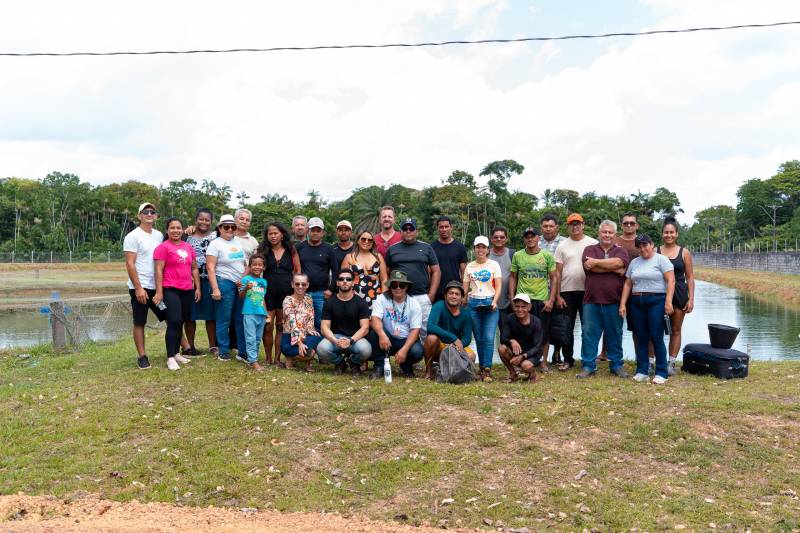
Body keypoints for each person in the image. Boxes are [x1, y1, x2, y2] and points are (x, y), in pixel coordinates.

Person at [576, 220, 630, 379]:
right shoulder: (589, 249)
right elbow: (590, 267)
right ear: (599, 233)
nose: (607, 235)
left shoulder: (621, 251)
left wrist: (597, 263)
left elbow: (619, 262)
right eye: (604, 232)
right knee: (589, 334)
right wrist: (613, 268)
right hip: (591, 300)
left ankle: (616, 365)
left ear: (615, 234)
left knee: (615, 334)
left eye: (610, 232)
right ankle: (588, 366)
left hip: (614, 301)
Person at [619, 234, 675, 384]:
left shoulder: (661, 260)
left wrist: (668, 301)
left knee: (656, 336)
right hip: (637, 301)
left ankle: (661, 372)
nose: (643, 248)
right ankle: (642, 370)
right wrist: (623, 303)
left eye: (645, 245)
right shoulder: (635, 263)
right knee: (641, 336)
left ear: (652, 245)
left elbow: (671, 281)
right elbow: (628, 284)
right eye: (640, 246)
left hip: (656, 300)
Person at [153, 217, 201, 371]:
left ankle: (177, 352)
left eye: (178, 228)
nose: (175, 230)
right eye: (172, 228)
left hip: (187, 289)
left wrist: (197, 288)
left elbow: (194, 268)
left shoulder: (188, 247)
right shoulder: (163, 247)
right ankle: (170, 357)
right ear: (167, 230)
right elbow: (158, 270)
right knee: (173, 321)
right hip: (170, 289)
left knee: (181, 321)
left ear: (182, 230)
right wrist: (159, 292)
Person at [507, 227, 558, 372]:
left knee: (544, 331)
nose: (530, 239)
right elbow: (513, 277)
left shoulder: (547, 256)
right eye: (527, 236)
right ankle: (521, 360)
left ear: (538, 238)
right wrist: (512, 297)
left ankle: (544, 363)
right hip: (523, 300)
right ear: (524, 239)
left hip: (541, 299)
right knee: (521, 331)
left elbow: (554, 278)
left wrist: (551, 300)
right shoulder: (518, 255)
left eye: (533, 236)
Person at [123, 202, 167, 370]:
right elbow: (130, 263)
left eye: (152, 212)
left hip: (156, 289)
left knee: (169, 315)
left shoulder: (158, 235)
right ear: (140, 215)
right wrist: (138, 288)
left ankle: (182, 349)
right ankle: (142, 356)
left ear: (156, 216)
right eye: (146, 212)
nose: (149, 215)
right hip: (140, 289)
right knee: (139, 322)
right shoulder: (132, 236)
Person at [554, 213, 598, 370]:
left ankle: (588, 360)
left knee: (588, 328)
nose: (575, 226)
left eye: (578, 223)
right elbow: (557, 273)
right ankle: (568, 359)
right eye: (572, 224)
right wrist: (557, 295)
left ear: (583, 225)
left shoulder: (593, 243)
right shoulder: (562, 246)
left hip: (588, 292)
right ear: (568, 226)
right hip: (567, 292)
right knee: (567, 327)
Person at [385, 218, 440, 338]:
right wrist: (388, 292)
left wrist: (431, 295)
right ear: (401, 231)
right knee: (399, 331)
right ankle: (402, 355)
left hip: (422, 296)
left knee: (424, 332)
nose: (408, 231)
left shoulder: (426, 247)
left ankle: (427, 357)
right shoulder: (392, 249)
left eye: (411, 228)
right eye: (405, 229)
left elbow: (436, 271)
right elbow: (386, 272)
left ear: (416, 231)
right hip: (399, 297)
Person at [257, 221, 301, 366]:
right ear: (267, 235)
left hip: (286, 294)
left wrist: (296, 291)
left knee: (281, 327)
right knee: (267, 327)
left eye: (276, 233)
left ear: (282, 234)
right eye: (270, 233)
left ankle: (277, 359)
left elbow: (298, 272)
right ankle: (268, 358)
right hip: (267, 293)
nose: (273, 236)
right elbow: (255, 267)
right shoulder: (262, 249)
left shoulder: (291, 249)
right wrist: (243, 280)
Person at [206, 214, 247, 361]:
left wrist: (243, 279)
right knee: (224, 319)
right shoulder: (215, 244)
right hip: (223, 282)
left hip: (239, 284)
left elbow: (244, 263)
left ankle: (242, 352)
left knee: (240, 318)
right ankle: (224, 352)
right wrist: (215, 289)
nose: (230, 229)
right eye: (226, 226)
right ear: (220, 228)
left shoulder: (237, 242)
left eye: (233, 226)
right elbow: (210, 267)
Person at [657, 217, 695, 375]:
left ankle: (671, 363)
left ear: (677, 234)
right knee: (655, 329)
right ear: (662, 234)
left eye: (672, 232)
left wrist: (691, 299)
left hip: (679, 293)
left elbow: (690, 277)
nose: (669, 235)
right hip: (659, 292)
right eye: (666, 232)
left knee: (676, 329)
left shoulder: (684, 252)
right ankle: (654, 362)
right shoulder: (655, 251)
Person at [317, 270, 373, 375]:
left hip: (355, 338)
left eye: (348, 279)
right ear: (337, 283)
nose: (345, 281)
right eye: (341, 279)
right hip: (336, 337)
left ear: (353, 283)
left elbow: (365, 327)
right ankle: (340, 362)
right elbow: (324, 327)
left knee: (366, 350)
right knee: (321, 349)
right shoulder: (329, 302)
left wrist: (350, 341)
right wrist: (335, 341)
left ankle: (353, 362)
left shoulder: (361, 302)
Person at [370, 270, 424, 379]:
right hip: (388, 338)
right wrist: (382, 335)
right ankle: (379, 366)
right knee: (375, 332)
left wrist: (404, 349)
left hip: (405, 339)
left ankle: (406, 366)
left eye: (402, 285)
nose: (398, 288)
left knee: (417, 351)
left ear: (407, 287)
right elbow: (375, 318)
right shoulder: (382, 298)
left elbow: (415, 330)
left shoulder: (414, 303)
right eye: (394, 285)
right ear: (390, 287)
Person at [463, 235, 502, 382]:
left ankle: (488, 368)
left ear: (488, 249)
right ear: (474, 249)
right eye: (478, 247)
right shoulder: (469, 266)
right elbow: (465, 287)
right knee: (479, 338)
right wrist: (464, 300)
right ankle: (481, 369)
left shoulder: (494, 265)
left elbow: (498, 286)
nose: (480, 250)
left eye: (483, 247)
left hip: (489, 303)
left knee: (489, 337)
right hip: (473, 304)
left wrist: (495, 301)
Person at [423, 281, 475, 380]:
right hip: (440, 346)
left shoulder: (466, 313)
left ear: (461, 298)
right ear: (445, 296)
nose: (454, 296)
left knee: (471, 356)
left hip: (455, 347)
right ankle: (429, 371)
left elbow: (467, 338)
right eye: (451, 293)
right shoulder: (439, 306)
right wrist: (453, 338)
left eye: (457, 294)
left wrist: (456, 345)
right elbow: (430, 326)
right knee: (431, 338)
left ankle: (444, 369)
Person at [295, 217, 338, 331]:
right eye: (312, 230)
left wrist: (330, 289)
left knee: (321, 323)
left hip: (321, 293)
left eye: (318, 230)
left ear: (322, 233)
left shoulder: (329, 249)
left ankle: (320, 348)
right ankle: (306, 348)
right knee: (302, 322)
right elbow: (294, 268)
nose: (315, 233)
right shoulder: (299, 247)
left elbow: (335, 271)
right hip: (303, 292)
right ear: (307, 231)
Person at [184, 208, 217, 356]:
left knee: (211, 315)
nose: (204, 222)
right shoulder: (187, 236)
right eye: (201, 219)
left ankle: (213, 346)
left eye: (207, 219)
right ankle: (190, 346)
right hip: (190, 280)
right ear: (196, 220)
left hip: (210, 280)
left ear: (211, 222)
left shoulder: (216, 236)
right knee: (190, 315)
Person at [539, 214, 567, 364]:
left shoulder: (564, 242)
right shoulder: (536, 242)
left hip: (561, 288)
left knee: (558, 323)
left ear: (557, 227)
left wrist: (557, 295)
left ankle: (557, 353)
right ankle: (539, 356)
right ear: (541, 228)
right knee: (542, 324)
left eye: (551, 226)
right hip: (540, 291)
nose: (548, 229)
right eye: (545, 226)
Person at [498, 294, 544, 383]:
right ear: (513, 306)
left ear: (529, 307)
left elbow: (537, 347)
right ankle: (513, 374)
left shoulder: (536, 322)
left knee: (525, 365)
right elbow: (502, 338)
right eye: (517, 306)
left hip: (531, 354)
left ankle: (533, 374)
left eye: (523, 307)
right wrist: (511, 341)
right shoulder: (509, 318)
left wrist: (523, 356)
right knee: (502, 348)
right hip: (517, 352)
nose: (520, 310)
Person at [281, 273, 321, 372]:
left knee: (319, 337)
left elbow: (310, 317)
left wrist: (310, 329)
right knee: (310, 352)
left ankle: (306, 360)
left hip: (304, 335)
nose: (300, 287)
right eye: (297, 284)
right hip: (290, 339)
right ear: (292, 285)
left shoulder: (308, 298)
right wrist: (299, 342)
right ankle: (290, 357)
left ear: (307, 285)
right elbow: (292, 322)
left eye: (303, 284)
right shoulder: (288, 300)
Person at [342, 230, 388, 310]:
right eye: (363, 239)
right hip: (353, 297)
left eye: (370, 240)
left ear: (373, 242)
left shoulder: (378, 257)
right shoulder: (349, 257)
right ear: (358, 240)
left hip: (375, 298)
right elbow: (342, 279)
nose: (366, 241)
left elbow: (384, 280)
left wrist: (384, 299)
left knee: (374, 321)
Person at [238, 254, 268, 371]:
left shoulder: (264, 282)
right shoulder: (245, 280)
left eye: (260, 265)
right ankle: (254, 362)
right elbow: (240, 296)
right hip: (249, 313)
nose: (257, 267)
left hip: (261, 314)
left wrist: (266, 313)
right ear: (250, 266)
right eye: (254, 264)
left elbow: (262, 298)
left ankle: (252, 359)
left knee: (257, 338)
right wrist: (246, 288)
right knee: (250, 337)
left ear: (264, 267)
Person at [431, 216, 468, 302]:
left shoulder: (459, 247)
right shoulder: (432, 247)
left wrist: (464, 294)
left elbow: (464, 273)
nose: (444, 229)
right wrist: (430, 293)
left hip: (455, 292)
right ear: (438, 229)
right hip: (437, 292)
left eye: (446, 226)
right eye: (441, 227)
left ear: (451, 228)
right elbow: (429, 272)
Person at [488, 226, 515, 324]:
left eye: (502, 237)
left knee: (506, 335)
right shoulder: (486, 254)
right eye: (496, 237)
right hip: (488, 302)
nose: (499, 239)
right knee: (488, 335)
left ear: (506, 239)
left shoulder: (512, 254)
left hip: (507, 303)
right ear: (491, 239)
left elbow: (516, 276)